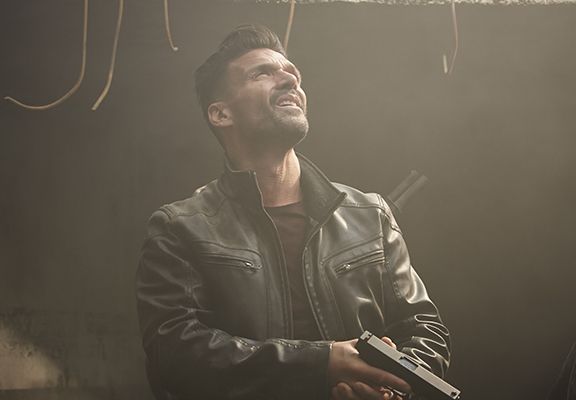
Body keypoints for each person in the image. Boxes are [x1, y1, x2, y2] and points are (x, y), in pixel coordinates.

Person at [136, 24, 451, 400]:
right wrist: (322, 363)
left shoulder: (371, 216)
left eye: (292, 72)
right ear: (221, 114)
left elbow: (425, 330)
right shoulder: (179, 229)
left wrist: (388, 390)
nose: (289, 79)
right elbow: (175, 354)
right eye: (261, 74)